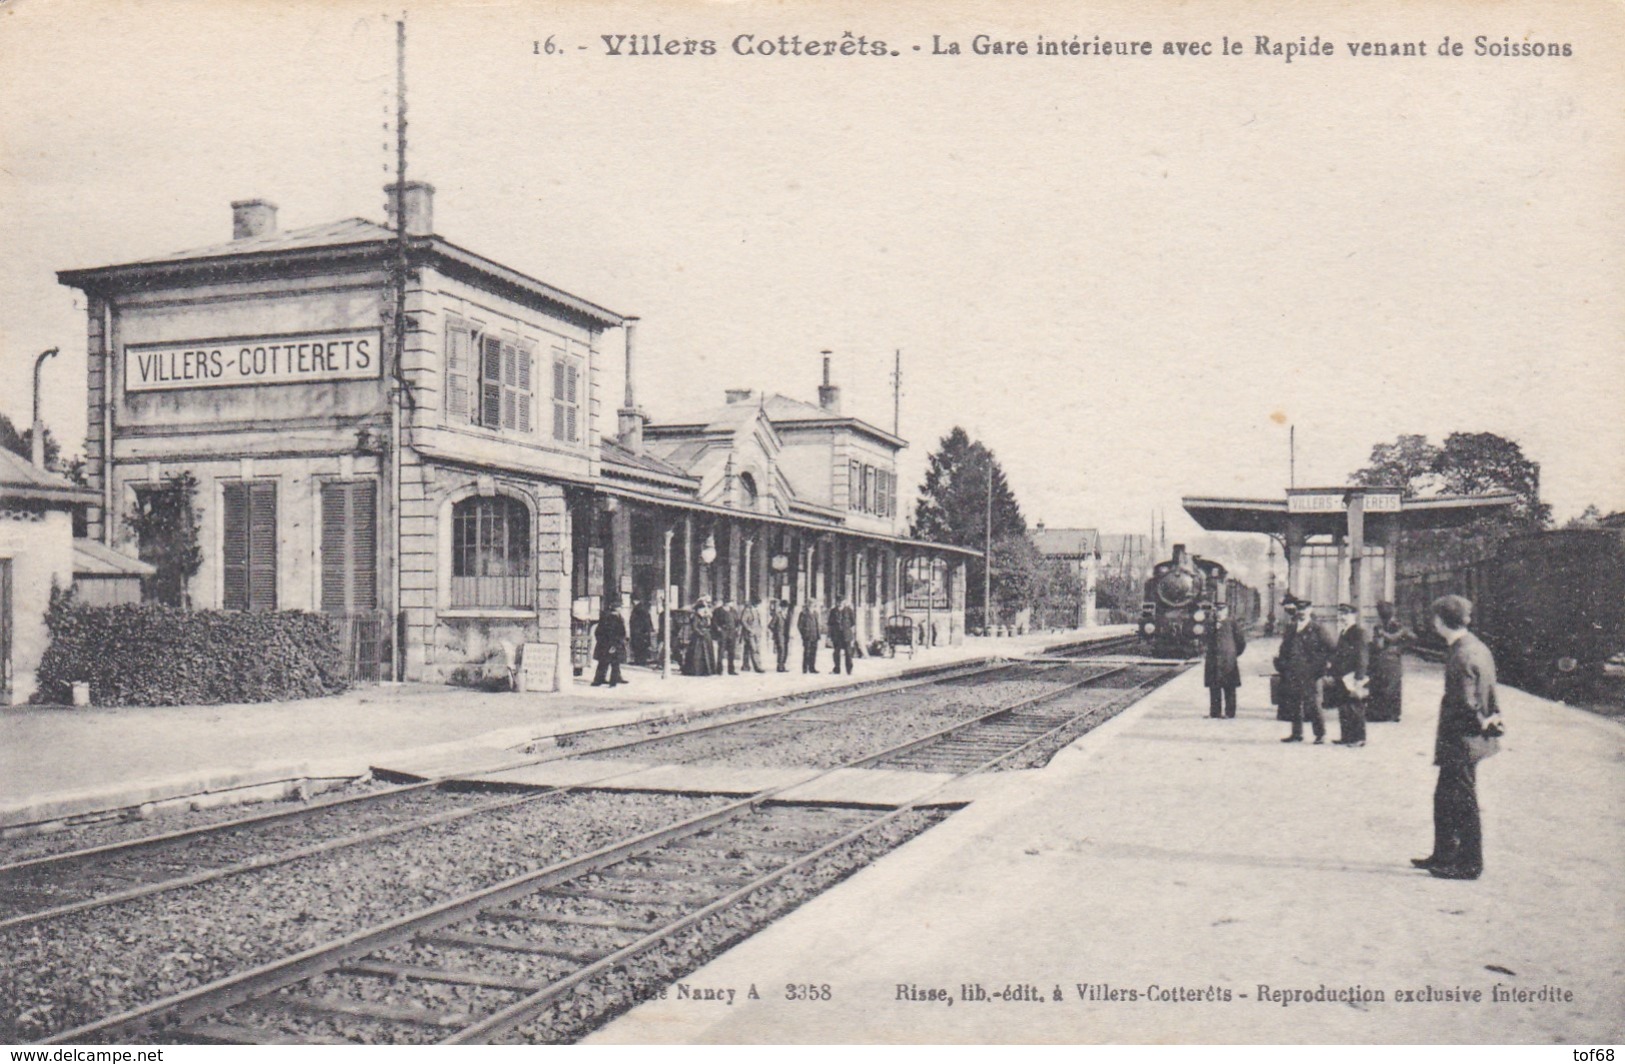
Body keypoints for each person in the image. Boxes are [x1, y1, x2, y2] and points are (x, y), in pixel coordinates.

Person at [1413, 595, 1502, 881]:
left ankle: (1469, 864)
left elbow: (1466, 704)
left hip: (1461, 740)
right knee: (1445, 797)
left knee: (1462, 800)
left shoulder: (1461, 655)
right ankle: (1444, 854)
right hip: (1466, 739)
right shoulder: (1475, 646)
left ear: (1440, 621)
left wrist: (1479, 723)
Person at [1276, 597, 1333, 743]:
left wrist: (1321, 667)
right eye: (1299, 609)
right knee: (1294, 703)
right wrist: (1283, 664)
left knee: (1314, 703)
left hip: (1312, 673)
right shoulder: (1291, 628)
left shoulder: (1318, 628)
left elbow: (1331, 649)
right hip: (1294, 671)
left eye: (1304, 609)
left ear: (1310, 610)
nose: (1301, 612)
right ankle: (1296, 734)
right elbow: (1284, 648)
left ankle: (1320, 734)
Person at [1326, 603, 1371, 746]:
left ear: (1354, 615)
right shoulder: (1344, 632)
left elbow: (1362, 656)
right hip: (1342, 675)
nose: (1342, 617)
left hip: (1352, 676)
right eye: (1341, 614)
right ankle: (1346, 736)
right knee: (1343, 706)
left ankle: (1358, 738)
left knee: (1355, 706)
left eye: (1346, 614)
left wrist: (1359, 678)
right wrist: (1332, 672)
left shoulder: (1359, 632)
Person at [1368, 600, 1413, 722]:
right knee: (1393, 687)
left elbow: (1378, 645)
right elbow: (1411, 638)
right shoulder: (1398, 626)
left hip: (1384, 658)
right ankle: (1393, 714)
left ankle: (1380, 714)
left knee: (1380, 685)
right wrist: (1400, 647)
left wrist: (1383, 636)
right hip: (1393, 659)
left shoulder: (1383, 626)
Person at [1204, 601, 1247, 718]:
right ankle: (1215, 712)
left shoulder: (1232, 623)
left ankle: (1230, 713)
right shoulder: (1210, 623)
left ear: (1226, 611)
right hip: (1213, 659)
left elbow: (1241, 642)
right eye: (1217, 610)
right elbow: (1205, 639)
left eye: (1221, 610)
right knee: (1214, 687)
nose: (1219, 613)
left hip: (1228, 660)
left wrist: (1233, 654)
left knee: (1229, 687)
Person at [590, 597, 629, 687]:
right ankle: (613, 682)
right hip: (613, 644)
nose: (621, 609)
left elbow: (598, 632)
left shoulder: (607, 617)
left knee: (604, 662)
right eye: (619, 607)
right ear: (616, 608)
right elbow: (615, 633)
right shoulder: (614, 618)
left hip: (605, 645)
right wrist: (613, 645)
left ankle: (599, 680)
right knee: (614, 663)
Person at [684, 599, 716, 676]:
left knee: (707, 654)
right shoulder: (695, 617)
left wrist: (708, 618)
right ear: (697, 610)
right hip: (698, 638)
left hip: (706, 637)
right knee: (697, 654)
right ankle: (696, 670)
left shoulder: (704, 617)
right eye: (701, 609)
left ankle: (707, 670)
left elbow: (708, 625)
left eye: (703, 609)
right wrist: (701, 633)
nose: (703, 611)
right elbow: (694, 628)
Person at [830, 596, 857, 676]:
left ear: (844, 603)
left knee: (848, 653)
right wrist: (831, 635)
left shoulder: (849, 611)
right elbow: (830, 624)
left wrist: (847, 629)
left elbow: (853, 622)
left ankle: (849, 670)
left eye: (841, 602)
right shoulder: (833, 611)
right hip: (837, 635)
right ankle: (837, 669)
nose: (839, 604)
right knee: (836, 653)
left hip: (846, 635)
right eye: (838, 602)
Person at [713, 599, 740, 676]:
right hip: (723, 633)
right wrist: (718, 628)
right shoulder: (718, 611)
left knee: (731, 652)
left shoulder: (733, 611)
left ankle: (731, 670)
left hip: (732, 633)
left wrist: (737, 628)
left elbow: (737, 621)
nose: (728, 603)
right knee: (721, 652)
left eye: (729, 602)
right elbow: (714, 621)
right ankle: (719, 670)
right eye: (727, 602)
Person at [741, 598, 767, 674]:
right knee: (754, 649)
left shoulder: (757, 610)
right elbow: (743, 621)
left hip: (757, 632)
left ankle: (745, 666)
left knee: (748, 649)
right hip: (750, 633)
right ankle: (758, 667)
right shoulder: (747, 610)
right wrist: (749, 629)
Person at [629, 596, 655, 666]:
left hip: (638, 633)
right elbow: (648, 622)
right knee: (642, 648)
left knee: (638, 648)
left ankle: (639, 661)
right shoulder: (642, 610)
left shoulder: (637, 610)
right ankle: (641, 661)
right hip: (641, 633)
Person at [797, 601, 822, 674]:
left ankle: (812, 668)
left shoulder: (815, 613)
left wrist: (818, 634)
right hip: (807, 636)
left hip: (814, 636)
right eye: (811, 605)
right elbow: (799, 625)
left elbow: (817, 624)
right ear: (808, 605)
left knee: (813, 652)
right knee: (807, 652)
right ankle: (805, 668)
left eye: (814, 605)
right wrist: (804, 634)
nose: (812, 606)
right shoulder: (803, 614)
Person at [769, 599, 792, 672]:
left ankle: (783, 665)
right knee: (781, 650)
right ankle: (780, 666)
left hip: (786, 635)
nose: (785, 609)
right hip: (779, 636)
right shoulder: (777, 615)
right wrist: (776, 632)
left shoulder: (788, 615)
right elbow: (770, 625)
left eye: (786, 607)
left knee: (786, 651)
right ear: (781, 607)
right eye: (783, 607)